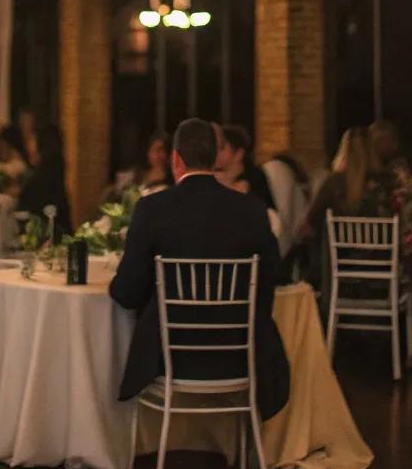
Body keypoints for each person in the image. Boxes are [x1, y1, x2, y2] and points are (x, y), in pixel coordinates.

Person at [109, 117, 289, 420]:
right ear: (217, 157)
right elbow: (273, 278)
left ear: (175, 159)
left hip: (168, 356)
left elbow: (126, 293)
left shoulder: (153, 209)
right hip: (239, 355)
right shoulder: (251, 210)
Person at [17, 124, 71, 237]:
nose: (28, 144)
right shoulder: (56, 165)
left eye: (32, 139)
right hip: (60, 227)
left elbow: (29, 204)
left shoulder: (44, 172)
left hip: (45, 233)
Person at [215, 124, 277, 216]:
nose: (216, 153)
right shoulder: (213, 176)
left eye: (221, 148)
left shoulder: (254, 179)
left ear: (239, 154)